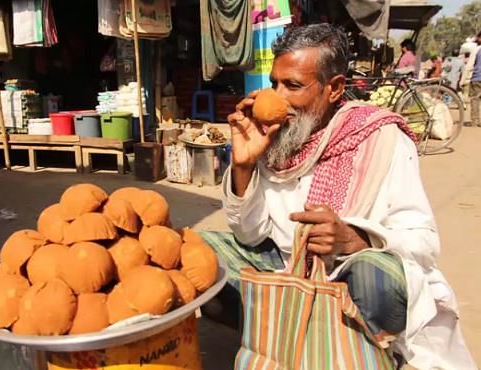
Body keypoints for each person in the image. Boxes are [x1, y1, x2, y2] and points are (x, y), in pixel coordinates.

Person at [200, 24, 476, 369]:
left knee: (373, 274)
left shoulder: (381, 138)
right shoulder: (275, 138)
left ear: (334, 89)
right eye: (274, 83)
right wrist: (243, 166)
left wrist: (353, 239)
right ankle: (290, 335)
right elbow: (251, 235)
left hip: (350, 274)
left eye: (293, 85)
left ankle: (356, 347)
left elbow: (424, 243)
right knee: (199, 255)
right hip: (288, 267)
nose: (277, 96)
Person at [464, 31, 481, 127]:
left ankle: (475, 121)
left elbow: (469, 65)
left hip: (477, 78)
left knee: (475, 99)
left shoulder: (476, 49)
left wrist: (463, 80)